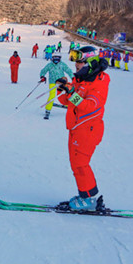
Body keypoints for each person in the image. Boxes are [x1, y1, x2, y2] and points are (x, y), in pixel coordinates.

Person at [56, 46, 110, 211]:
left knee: (81, 164)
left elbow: (90, 106)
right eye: (74, 59)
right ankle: (84, 194)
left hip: (88, 129)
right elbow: (66, 101)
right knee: (76, 164)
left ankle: (89, 199)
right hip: (76, 128)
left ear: (89, 61)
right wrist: (62, 88)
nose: (75, 64)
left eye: (79, 60)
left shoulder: (99, 81)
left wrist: (72, 94)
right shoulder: (81, 78)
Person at [39, 54, 73, 119]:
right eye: (55, 58)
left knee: (65, 94)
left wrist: (73, 77)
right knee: (52, 95)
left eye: (58, 58)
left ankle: (67, 104)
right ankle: (48, 110)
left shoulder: (62, 64)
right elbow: (43, 70)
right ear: (52, 58)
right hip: (53, 82)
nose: (56, 60)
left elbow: (68, 70)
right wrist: (42, 76)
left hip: (61, 82)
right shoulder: (50, 65)